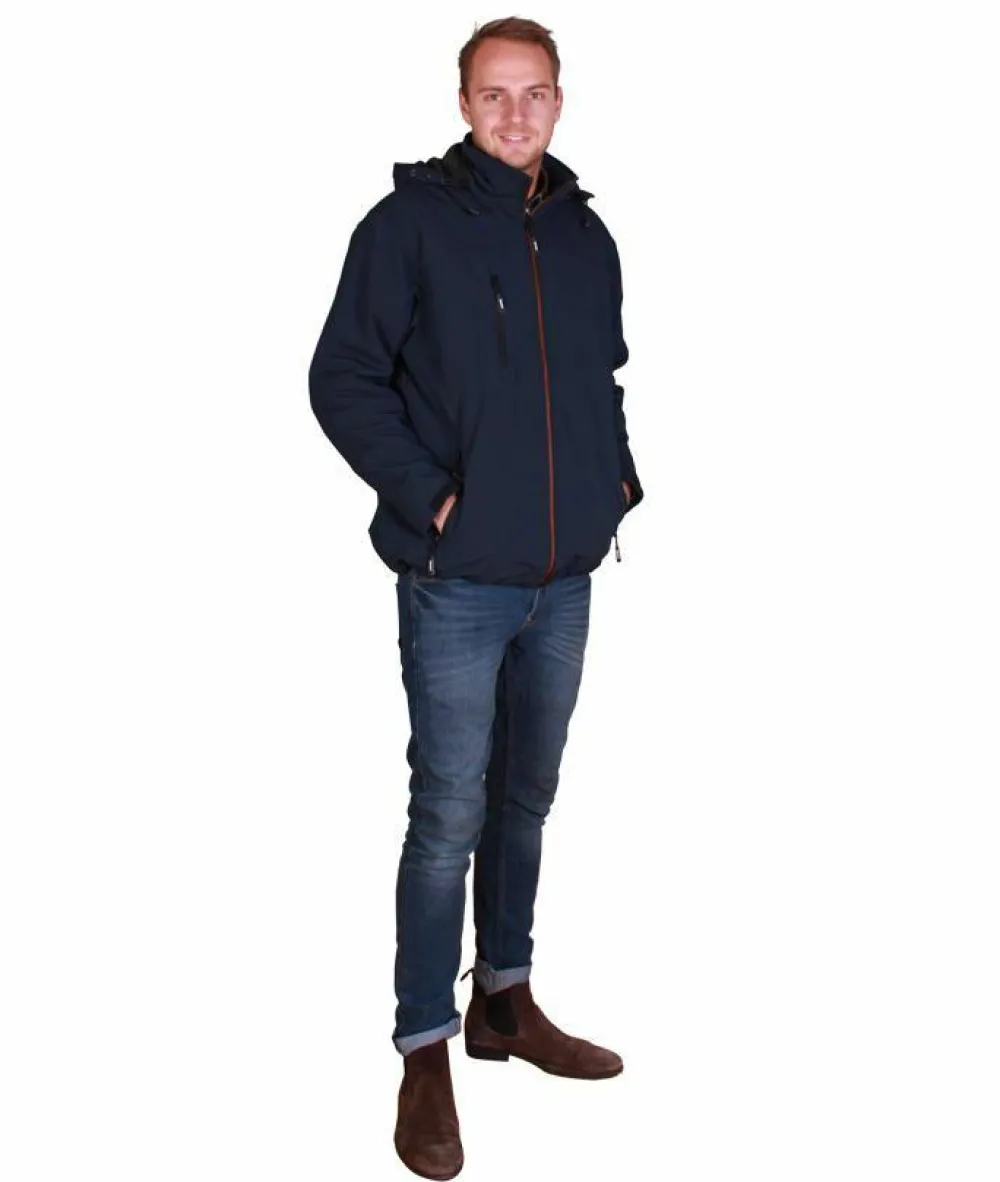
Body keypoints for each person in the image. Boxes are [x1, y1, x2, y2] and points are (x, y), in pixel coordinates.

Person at [309, 16, 643, 1179]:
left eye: (533, 93)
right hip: (455, 583)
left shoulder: (585, 234)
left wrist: (615, 485)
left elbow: (601, 377)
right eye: (493, 94)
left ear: (559, 101)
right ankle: (424, 1046)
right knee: (448, 811)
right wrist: (433, 499)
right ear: (462, 104)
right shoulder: (406, 227)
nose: (514, 114)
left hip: (563, 579)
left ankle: (504, 997)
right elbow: (343, 377)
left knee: (526, 799)